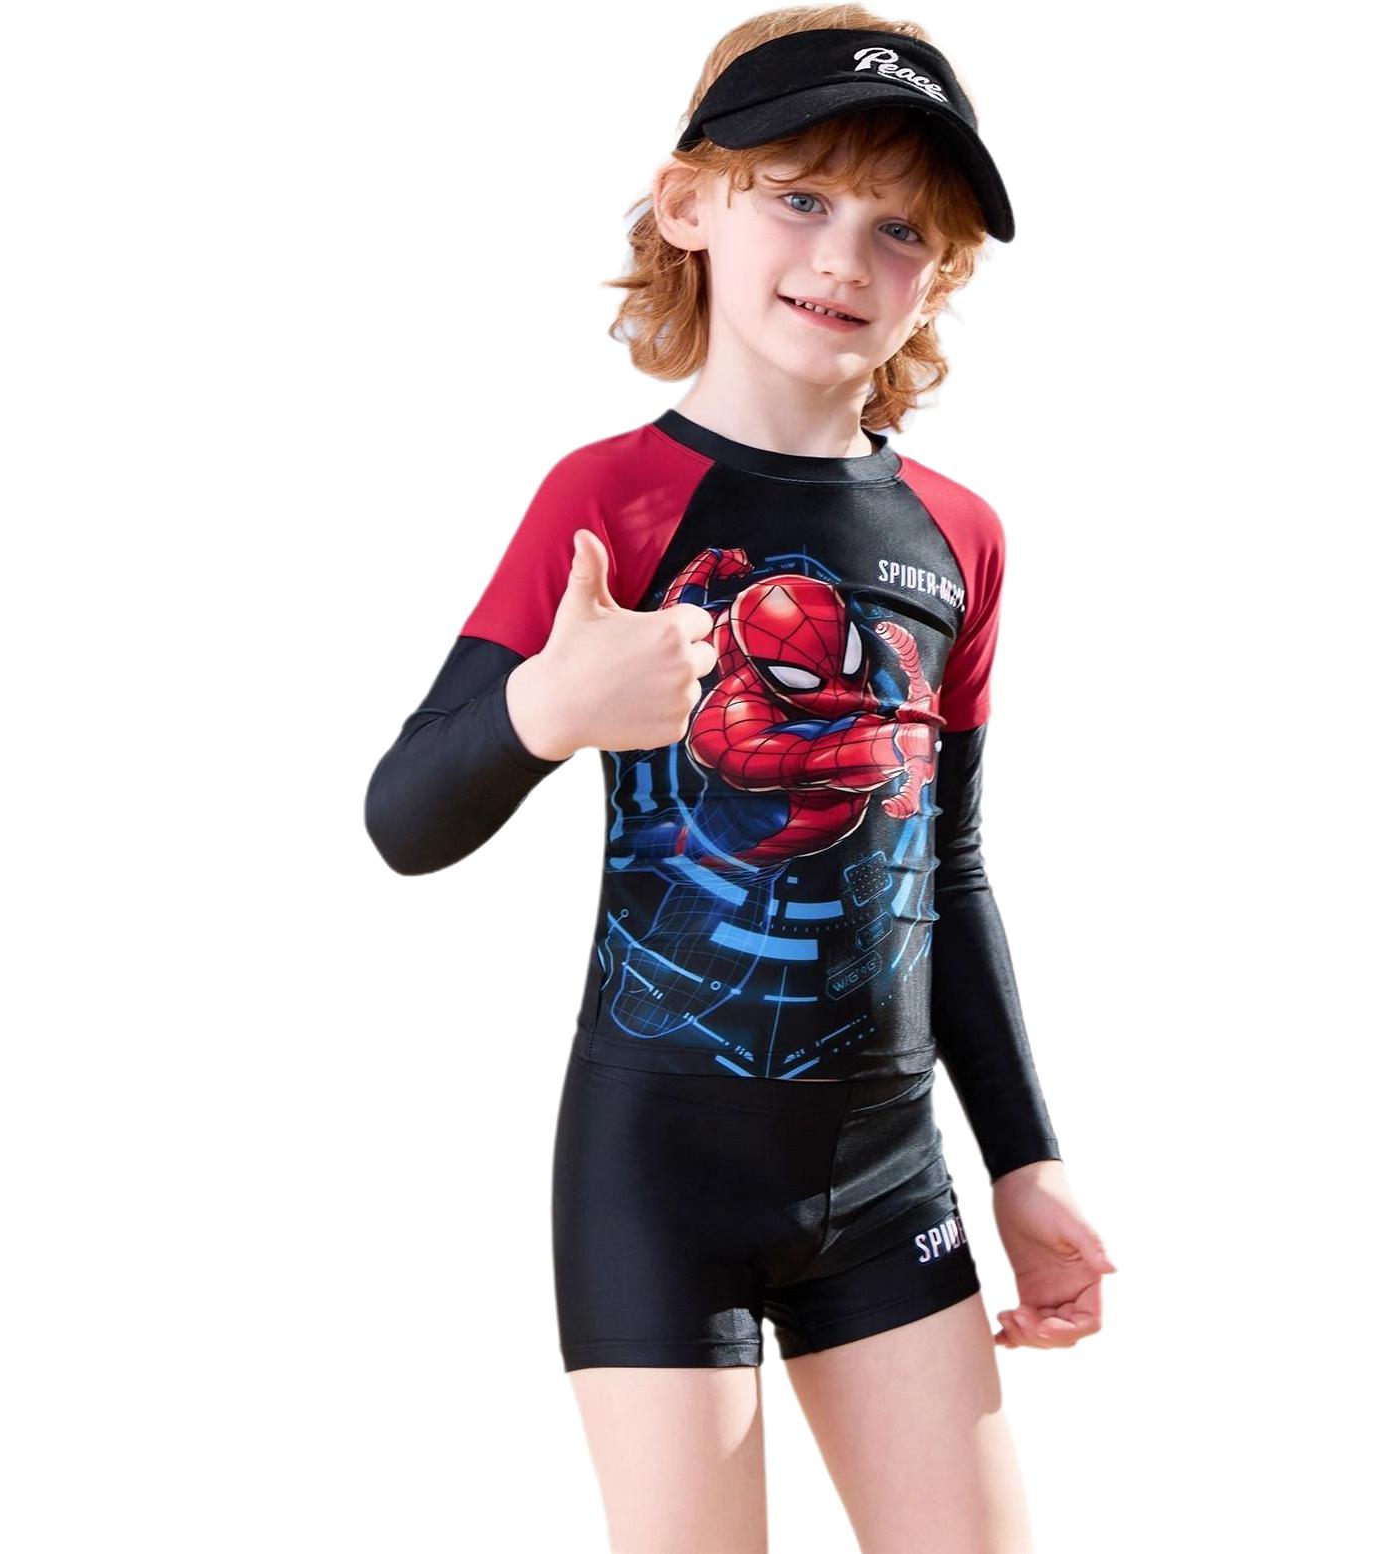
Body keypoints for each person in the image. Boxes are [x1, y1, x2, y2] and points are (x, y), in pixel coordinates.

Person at [365, 9, 1116, 1551]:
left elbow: (945, 869)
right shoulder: (611, 501)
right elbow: (402, 817)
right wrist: (548, 707)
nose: (843, 256)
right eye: (800, 195)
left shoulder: (957, 535)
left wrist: (1024, 1161)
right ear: (688, 202)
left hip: (887, 1176)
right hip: (657, 1169)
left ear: (939, 274)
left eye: (898, 226)